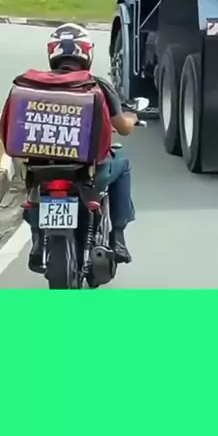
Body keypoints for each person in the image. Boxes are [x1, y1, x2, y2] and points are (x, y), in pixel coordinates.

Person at [30, 22, 138, 271]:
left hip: (42, 171)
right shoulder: (97, 85)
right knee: (123, 164)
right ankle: (118, 237)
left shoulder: (35, 85)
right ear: (87, 53)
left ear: (53, 53)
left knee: (33, 194)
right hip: (88, 173)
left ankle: (37, 241)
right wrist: (132, 117)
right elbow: (123, 128)